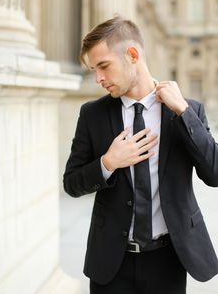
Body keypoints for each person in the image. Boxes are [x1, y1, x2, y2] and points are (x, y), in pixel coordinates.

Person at [63, 16, 218, 294]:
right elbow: (71, 183)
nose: (98, 78)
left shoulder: (187, 110)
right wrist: (108, 163)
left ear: (132, 55)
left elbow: (214, 173)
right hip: (110, 261)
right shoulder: (92, 114)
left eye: (104, 66)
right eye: (94, 69)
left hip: (168, 260)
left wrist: (183, 113)